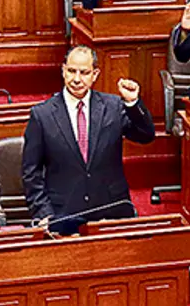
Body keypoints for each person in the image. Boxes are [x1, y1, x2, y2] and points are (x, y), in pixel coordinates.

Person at [21, 46, 155, 226]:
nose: (77, 79)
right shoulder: (42, 115)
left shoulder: (113, 106)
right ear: (63, 71)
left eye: (84, 73)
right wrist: (43, 213)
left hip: (111, 210)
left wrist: (132, 103)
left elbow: (146, 135)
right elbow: (31, 173)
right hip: (64, 215)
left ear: (95, 74)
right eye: (71, 71)